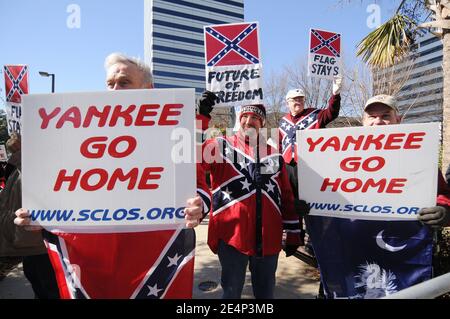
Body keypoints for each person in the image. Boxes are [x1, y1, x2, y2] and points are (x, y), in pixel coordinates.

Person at [13, 53, 208, 299]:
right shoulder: (74, 136)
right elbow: (61, 191)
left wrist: (199, 207)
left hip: (155, 256)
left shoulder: (177, 134)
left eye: (124, 82)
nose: (115, 89)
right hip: (91, 261)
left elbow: (201, 186)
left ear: (149, 89)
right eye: (110, 84)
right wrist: (39, 213)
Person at [305, 94, 450, 299]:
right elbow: (326, 197)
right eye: (371, 116)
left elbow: (442, 195)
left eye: (385, 115)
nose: (378, 122)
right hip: (350, 254)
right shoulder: (340, 156)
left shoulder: (419, 156)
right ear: (363, 122)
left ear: (398, 120)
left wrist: (444, 210)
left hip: (402, 257)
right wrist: (309, 206)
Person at [197, 102, 304, 299]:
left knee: (266, 294)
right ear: (239, 120)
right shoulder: (221, 145)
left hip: (269, 239)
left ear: (261, 123)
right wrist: (201, 120)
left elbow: (286, 197)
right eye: (245, 117)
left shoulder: (274, 155)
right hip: (231, 237)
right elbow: (192, 159)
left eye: (255, 118)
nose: (249, 121)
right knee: (231, 293)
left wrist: (293, 233)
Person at [0, 133, 60, 298]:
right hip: (29, 244)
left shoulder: (36, 164)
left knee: (49, 289)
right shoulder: (18, 165)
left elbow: (42, 183)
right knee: (41, 287)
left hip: (41, 245)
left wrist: (21, 152)